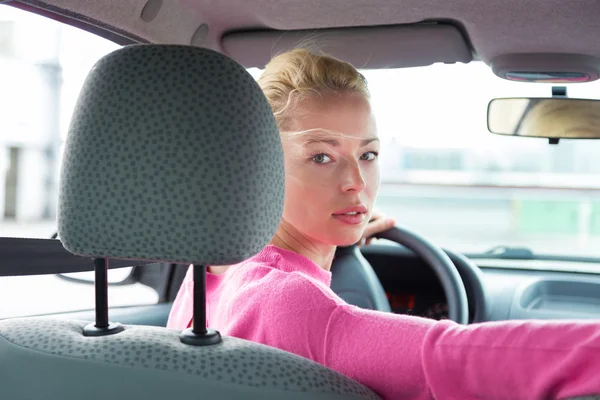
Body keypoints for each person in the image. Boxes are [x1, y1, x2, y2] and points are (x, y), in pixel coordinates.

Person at [168, 49, 600, 400]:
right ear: (258, 165)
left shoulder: (207, 275)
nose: (356, 183)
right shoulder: (292, 303)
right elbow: (452, 358)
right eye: (322, 156)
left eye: (368, 155)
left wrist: (342, 232)